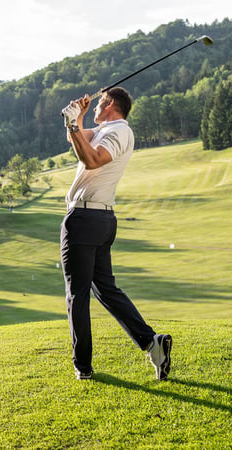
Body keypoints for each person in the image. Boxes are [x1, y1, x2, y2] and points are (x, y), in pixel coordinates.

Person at [59, 87, 172, 381]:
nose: (95, 106)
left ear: (109, 104)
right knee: (104, 288)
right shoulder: (107, 130)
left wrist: (74, 123)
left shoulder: (118, 131)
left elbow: (92, 160)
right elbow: (78, 141)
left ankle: (82, 366)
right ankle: (151, 343)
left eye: (99, 102)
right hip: (98, 218)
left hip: (85, 218)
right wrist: (77, 120)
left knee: (77, 295)